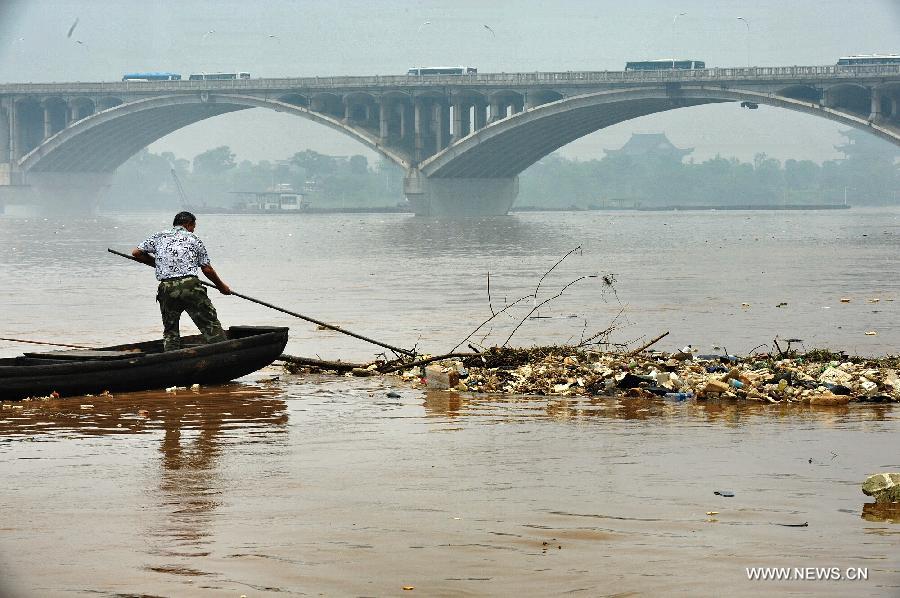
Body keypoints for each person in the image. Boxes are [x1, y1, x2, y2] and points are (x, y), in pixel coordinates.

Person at [132, 211, 232, 351]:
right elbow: (207, 269)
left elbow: (136, 253)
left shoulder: (159, 236)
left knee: (170, 330)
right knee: (209, 325)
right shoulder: (193, 238)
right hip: (190, 286)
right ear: (188, 224)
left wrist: (158, 263)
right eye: (193, 227)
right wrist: (222, 287)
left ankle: (171, 359)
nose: (193, 230)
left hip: (167, 288)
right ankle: (224, 353)